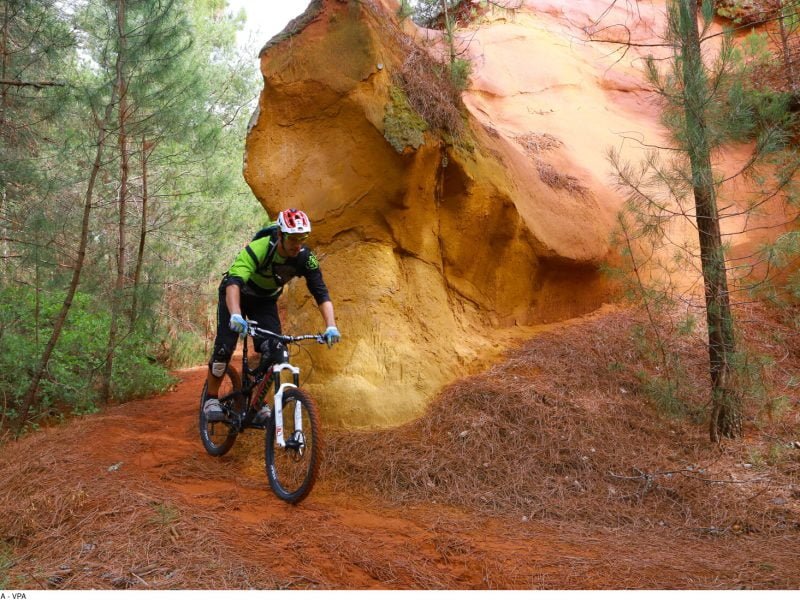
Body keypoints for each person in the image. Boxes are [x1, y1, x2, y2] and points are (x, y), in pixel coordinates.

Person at [204, 208, 340, 421]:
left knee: (276, 350)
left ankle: (258, 402)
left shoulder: (305, 257)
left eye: (302, 238)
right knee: (224, 348)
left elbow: (321, 292)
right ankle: (211, 399)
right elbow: (233, 282)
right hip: (236, 294)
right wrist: (236, 315)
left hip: (264, 301)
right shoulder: (261, 248)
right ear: (280, 235)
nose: (297, 244)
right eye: (293, 238)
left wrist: (331, 325)